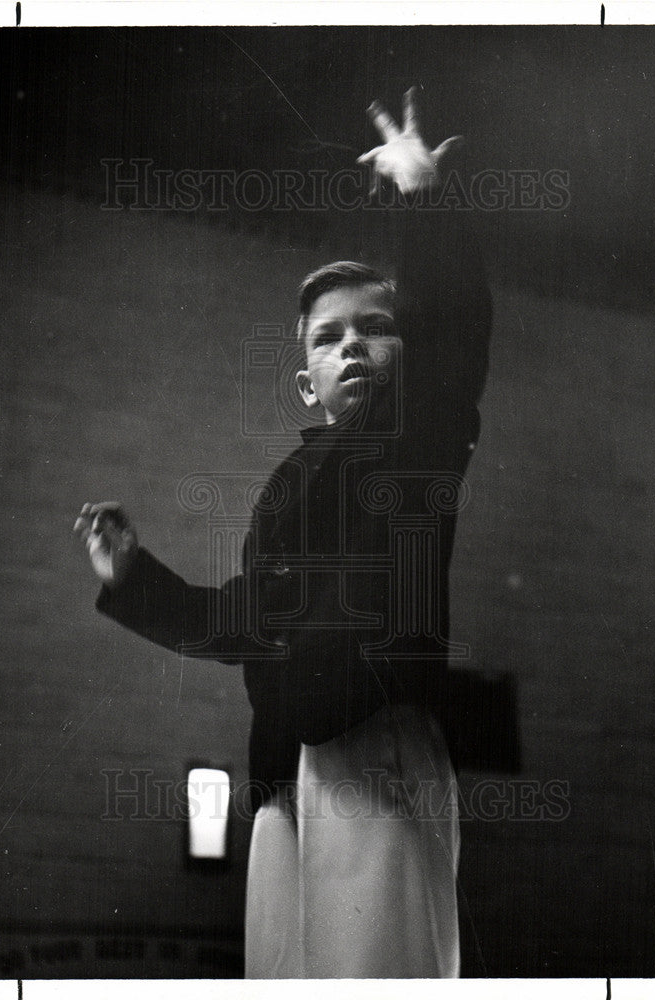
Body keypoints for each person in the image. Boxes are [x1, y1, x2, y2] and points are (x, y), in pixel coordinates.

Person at [74, 88, 492, 978]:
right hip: (281, 775)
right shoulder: (286, 489)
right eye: (329, 337)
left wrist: (424, 199)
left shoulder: (418, 443)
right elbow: (243, 621)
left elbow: (456, 339)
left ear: (410, 358)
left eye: (378, 331)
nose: (353, 348)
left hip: (375, 748)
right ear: (305, 381)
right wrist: (135, 576)